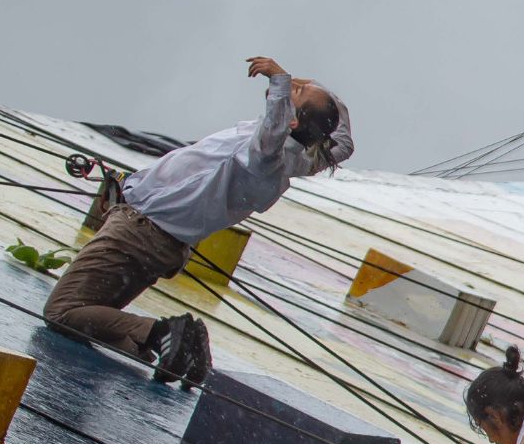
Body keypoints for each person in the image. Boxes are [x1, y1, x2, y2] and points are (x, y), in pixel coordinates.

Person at [43, 56, 353, 388]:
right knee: (93, 318)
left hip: (138, 233)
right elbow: (344, 144)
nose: (293, 86)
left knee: (62, 311)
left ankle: (163, 332)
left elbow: (276, 128)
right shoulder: (298, 160)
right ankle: (176, 349)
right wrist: (315, 96)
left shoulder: (265, 155)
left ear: (290, 122)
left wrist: (279, 80)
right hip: (160, 242)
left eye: (299, 91)